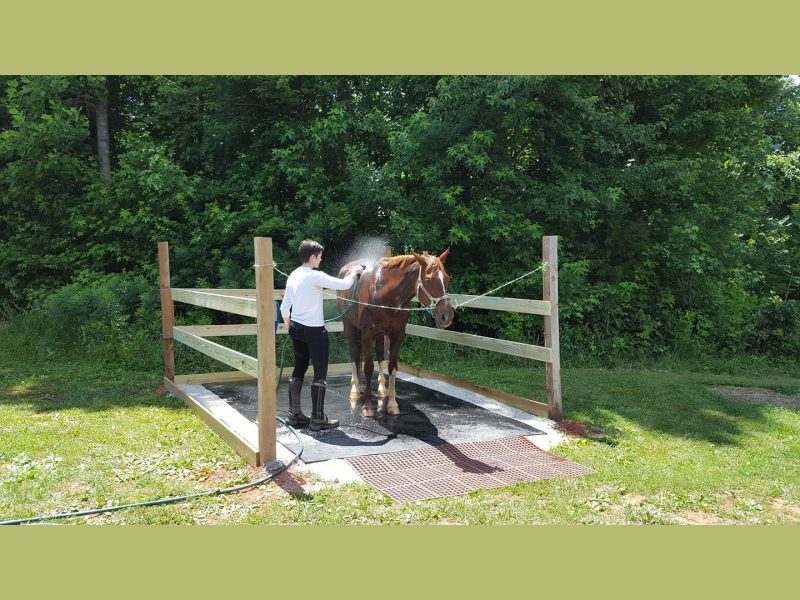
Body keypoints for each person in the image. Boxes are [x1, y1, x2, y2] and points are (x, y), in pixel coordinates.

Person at [280, 240, 360, 431]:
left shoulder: (294, 275)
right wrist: (357, 271)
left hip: (296, 329)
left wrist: (290, 323)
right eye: (320, 256)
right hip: (315, 332)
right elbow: (344, 284)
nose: (321, 259)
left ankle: (295, 414)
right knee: (320, 372)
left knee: (299, 368)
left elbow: (284, 307)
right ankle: (317, 419)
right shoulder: (315, 276)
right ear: (312, 257)